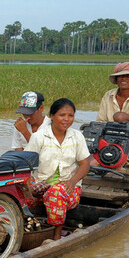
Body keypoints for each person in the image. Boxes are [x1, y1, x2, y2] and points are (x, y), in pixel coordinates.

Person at [24, 98, 91, 241]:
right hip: (40, 186)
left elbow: (85, 164)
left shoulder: (77, 136)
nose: (67, 119)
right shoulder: (39, 137)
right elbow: (26, 164)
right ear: (52, 116)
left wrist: (72, 182)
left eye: (70, 115)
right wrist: (30, 187)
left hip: (68, 188)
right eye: (62, 115)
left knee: (56, 193)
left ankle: (56, 235)